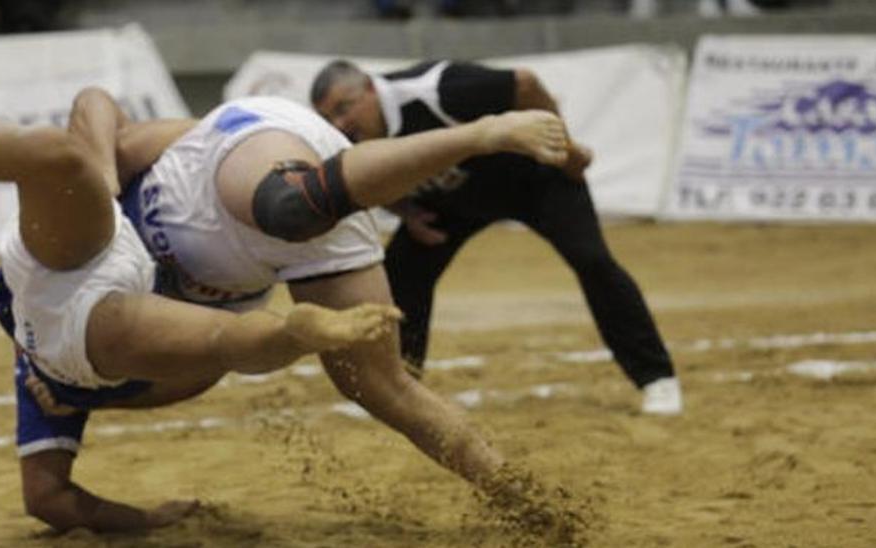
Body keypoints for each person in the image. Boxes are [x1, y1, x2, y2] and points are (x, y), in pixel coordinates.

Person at [0, 90, 403, 533]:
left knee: (54, 155)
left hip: (71, 283)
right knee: (221, 344)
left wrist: (99, 169)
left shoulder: (164, 153)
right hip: (82, 319)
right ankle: (293, 333)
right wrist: (142, 511)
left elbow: (50, 500)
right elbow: (48, 498)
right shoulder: (189, 154)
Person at [114, 93, 588, 543]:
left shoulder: (77, 247)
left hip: (232, 165)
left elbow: (101, 121)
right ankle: (527, 500)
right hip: (278, 248)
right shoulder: (110, 356)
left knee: (289, 207)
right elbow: (196, 369)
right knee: (380, 386)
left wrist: (105, 174)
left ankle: (482, 134)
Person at [309, 59, 684, 415]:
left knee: (592, 261)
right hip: (452, 203)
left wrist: (565, 149)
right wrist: (407, 212)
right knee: (400, 278)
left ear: (371, 89)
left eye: (344, 108)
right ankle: (395, 388)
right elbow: (364, 180)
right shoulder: (345, 138)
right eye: (329, 117)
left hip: (535, 181)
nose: (340, 123)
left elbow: (525, 83)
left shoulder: (436, 89)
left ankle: (657, 378)